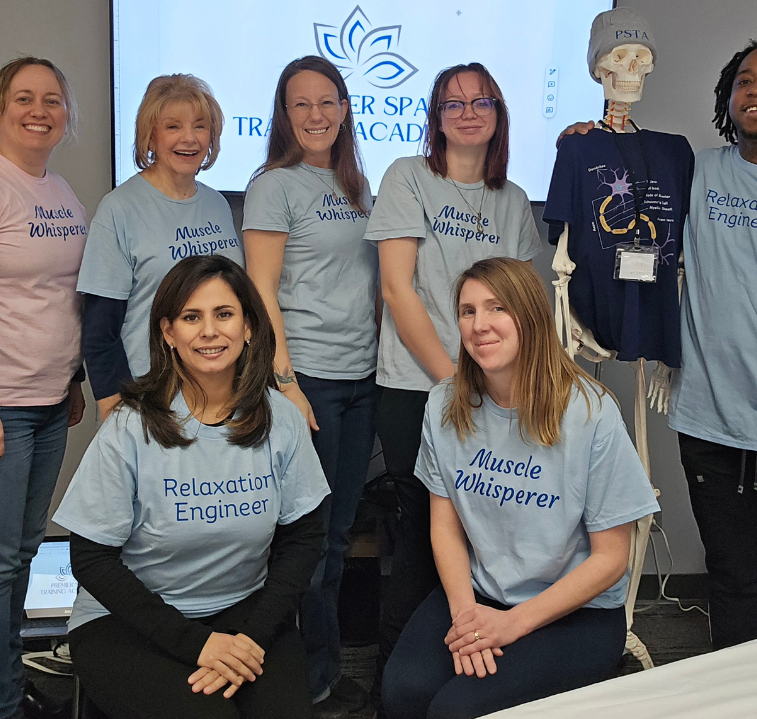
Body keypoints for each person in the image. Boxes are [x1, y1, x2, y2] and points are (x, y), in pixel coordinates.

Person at [561, 30, 757, 649]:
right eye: (746, 80)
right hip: (708, 421)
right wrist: (587, 146)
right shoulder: (700, 168)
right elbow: (629, 178)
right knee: (732, 580)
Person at [53, 255, 330, 719]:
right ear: (168, 333)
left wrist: (251, 639)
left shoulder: (282, 419)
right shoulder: (130, 426)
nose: (209, 331)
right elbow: (90, 558)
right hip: (127, 623)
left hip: (246, 615)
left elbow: (304, 540)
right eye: (190, 317)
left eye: (224, 314)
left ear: (248, 328)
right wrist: (195, 644)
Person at [382, 257, 659, 719]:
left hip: (576, 612)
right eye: (468, 311)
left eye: (496, 308)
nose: (480, 325)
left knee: (457, 710)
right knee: (402, 693)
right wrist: (466, 616)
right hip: (480, 596)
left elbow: (611, 560)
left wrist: (511, 625)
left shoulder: (590, 413)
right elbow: (445, 529)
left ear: (530, 316)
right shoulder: (444, 405)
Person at [363, 63, 542, 710]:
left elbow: (522, 306)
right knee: (421, 542)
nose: (468, 113)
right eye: (453, 103)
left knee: (488, 537)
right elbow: (396, 290)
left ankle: (471, 676)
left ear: (499, 115)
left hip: (499, 397)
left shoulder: (514, 201)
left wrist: (504, 390)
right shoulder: (408, 178)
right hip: (420, 390)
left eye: (482, 101)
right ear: (434, 117)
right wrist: (455, 383)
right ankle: (393, 692)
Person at [242, 56, 378, 717]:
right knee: (308, 542)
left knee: (338, 534)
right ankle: (303, 680)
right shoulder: (275, 185)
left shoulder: (356, 183)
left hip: (361, 379)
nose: (316, 115)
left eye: (328, 102)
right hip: (309, 383)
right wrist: (286, 384)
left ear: (346, 108)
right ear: (284, 114)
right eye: (301, 104)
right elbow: (260, 292)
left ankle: (319, 672)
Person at [0, 56, 87, 719]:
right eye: (24, 98)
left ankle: (10, 684)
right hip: (6, 403)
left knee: (25, 555)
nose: (40, 110)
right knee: (3, 563)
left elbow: (62, 296)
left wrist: (75, 378)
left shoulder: (59, 190)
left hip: (51, 398)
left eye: (52, 100)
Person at [78, 74, 243, 422]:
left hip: (219, 396)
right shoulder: (119, 208)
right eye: (173, 127)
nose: (189, 138)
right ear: (150, 135)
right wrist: (115, 409)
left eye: (200, 126)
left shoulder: (216, 205)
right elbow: (99, 329)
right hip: (150, 399)